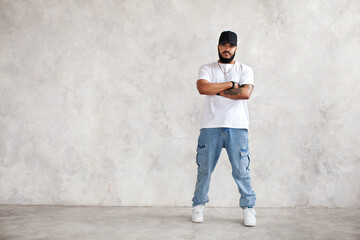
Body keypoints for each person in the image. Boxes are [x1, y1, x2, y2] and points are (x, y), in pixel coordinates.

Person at [191, 31, 257, 227]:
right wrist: (230, 85)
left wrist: (216, 89)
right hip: (210, 126)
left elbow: (245, 93)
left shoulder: (246, 69)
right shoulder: (207, 68)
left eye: (230, 45)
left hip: (237, 126)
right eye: (223, 45)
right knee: (204, 169)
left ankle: (248, 208)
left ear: (236, 48)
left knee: (241, 170)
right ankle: (198, 205)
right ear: (218, 47)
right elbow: (203, 88)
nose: (227, 49)